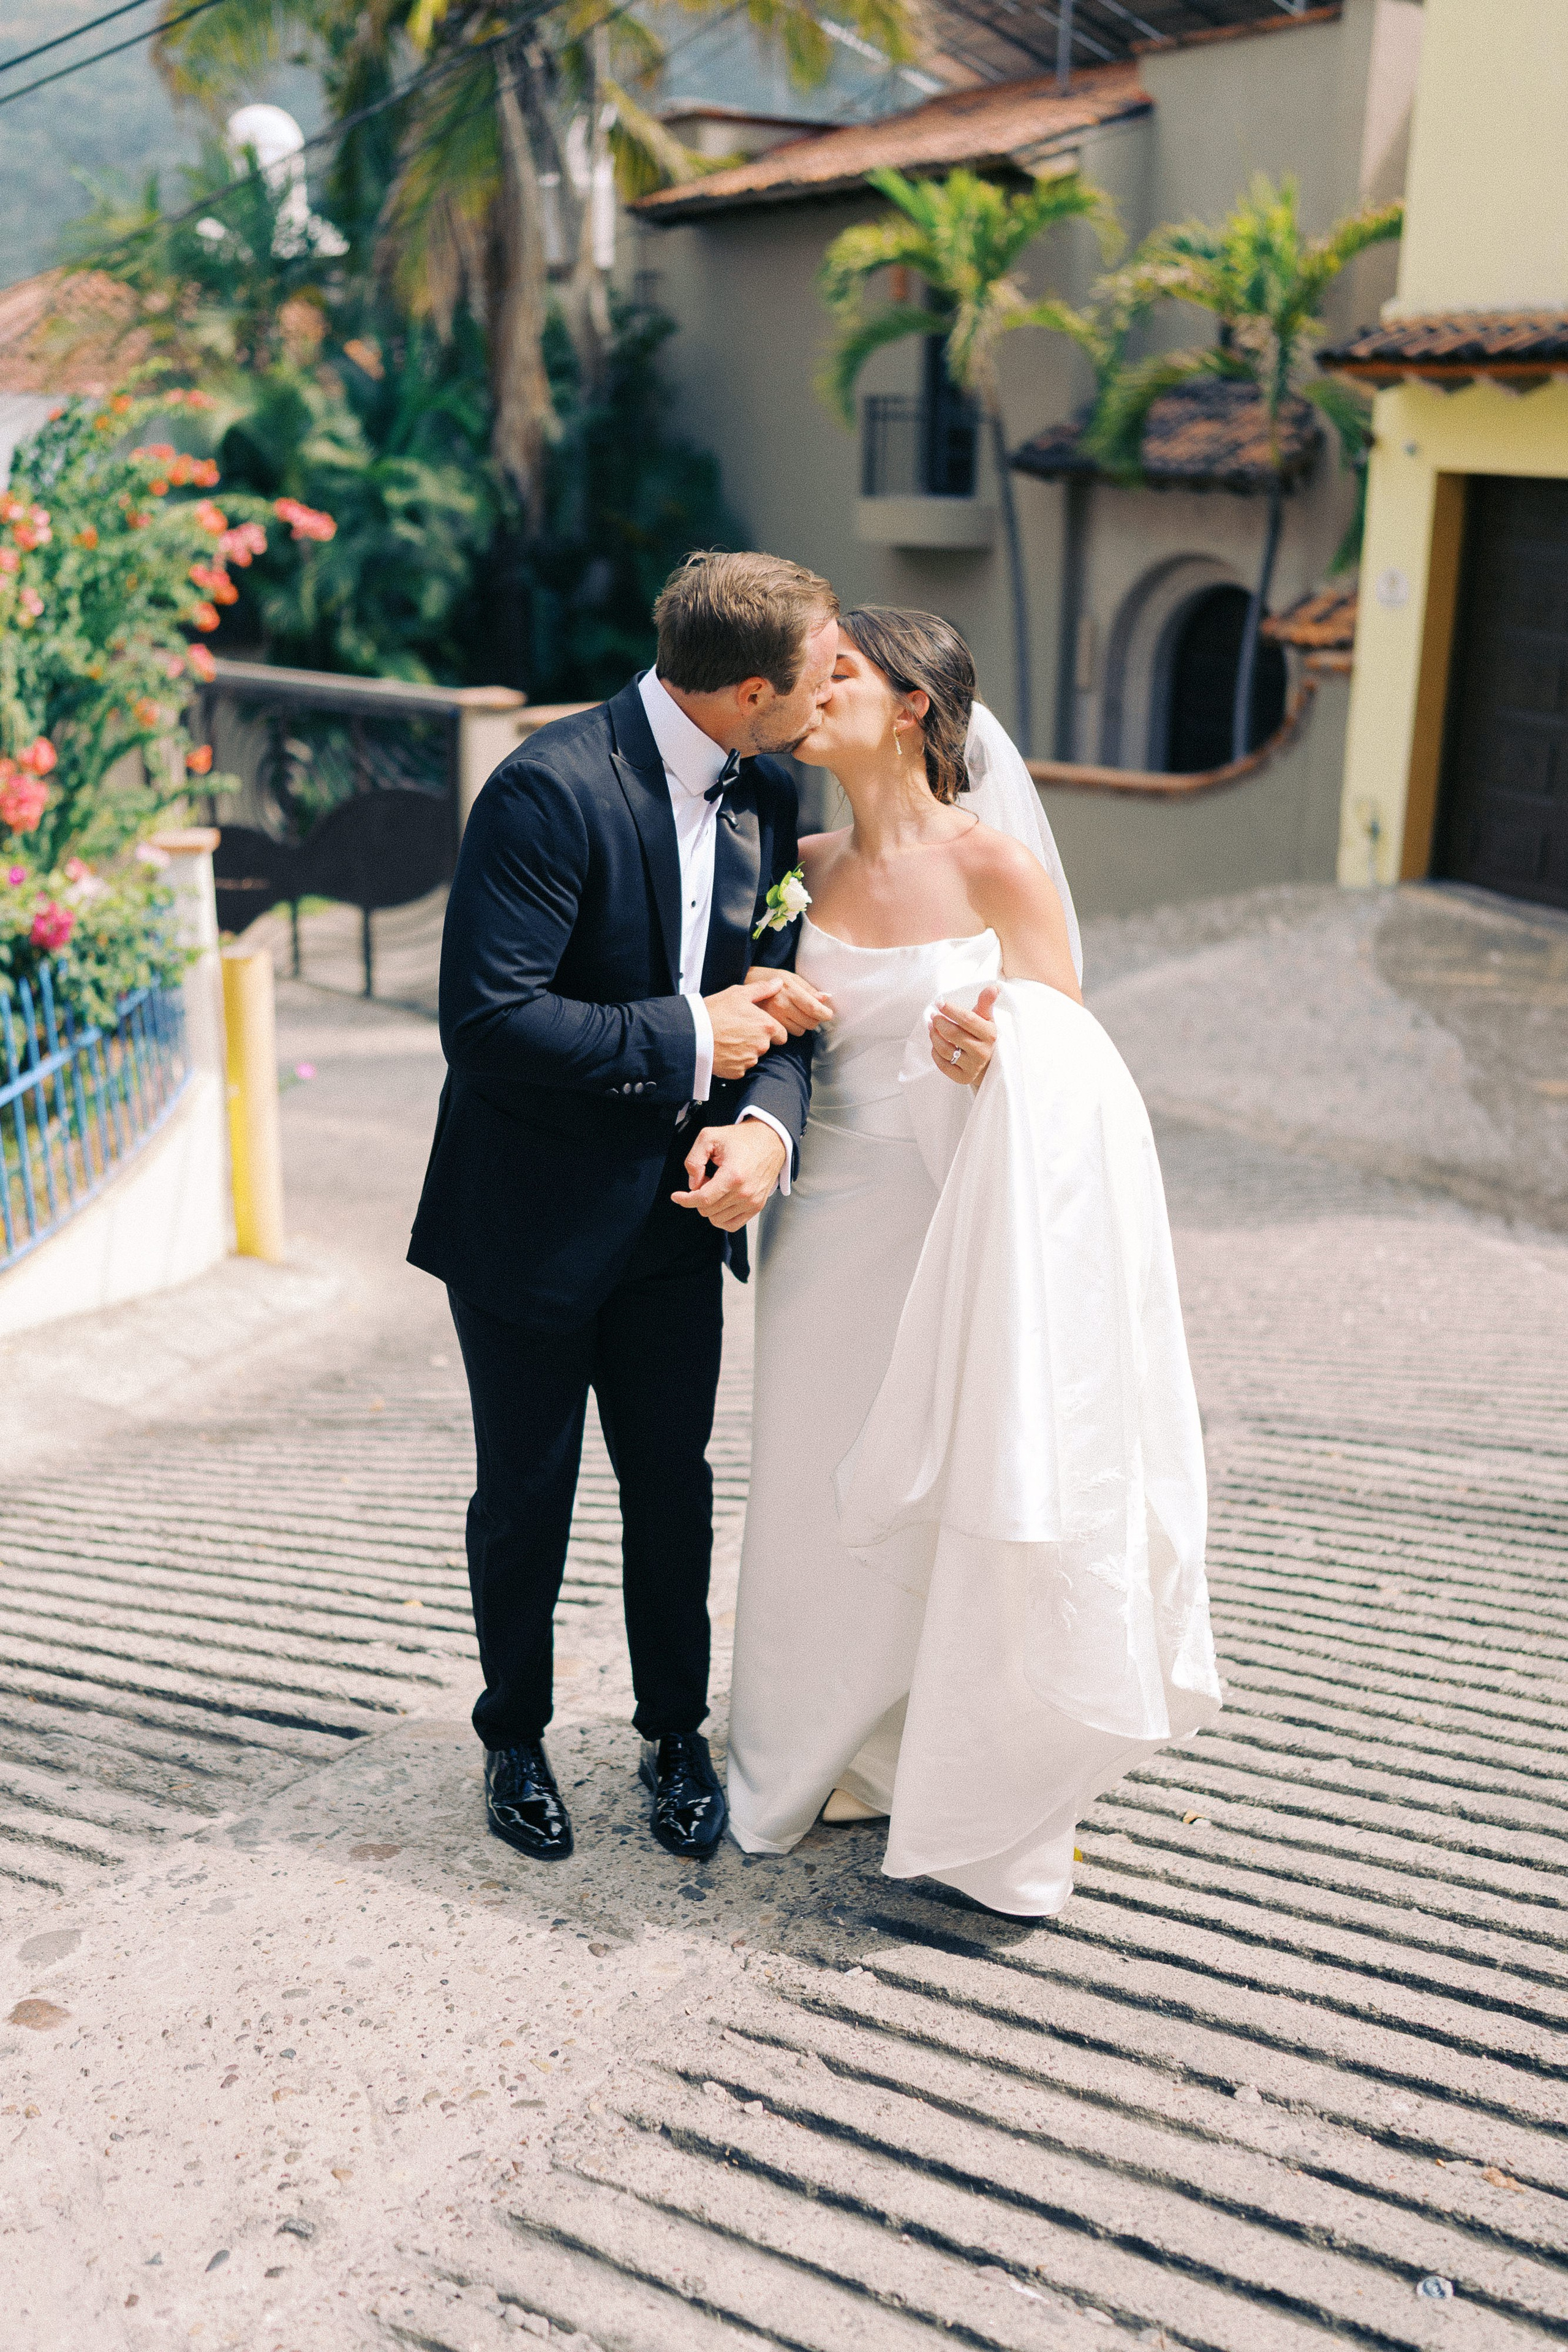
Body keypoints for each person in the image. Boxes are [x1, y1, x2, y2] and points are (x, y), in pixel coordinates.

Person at [722, 608, 1222, 1918]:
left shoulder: (1000, 868)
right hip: (822, 1229)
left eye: (837, 672)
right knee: (813, 1483)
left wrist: (1001, 1056)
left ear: (909, 707)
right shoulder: (794, 865)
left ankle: (950, 1757)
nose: (809, 690)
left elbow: (1079, 1073)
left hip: (957, 1219)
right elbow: (771, 1044)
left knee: (961, 1474)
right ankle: (812, 1749)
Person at [409, 551, 837, 1864]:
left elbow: (780, 1005)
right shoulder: (547, 788)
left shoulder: (772, 785)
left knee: (672, 1491)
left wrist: (766, 1129)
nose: (833, 695)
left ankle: (673, 1737)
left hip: (677, 1219)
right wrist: (686, 1034)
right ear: (752, 688)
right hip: (527, 1218)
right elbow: (489, 1022)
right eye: (820, 676)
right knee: (524, 1496)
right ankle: (512, 1737)